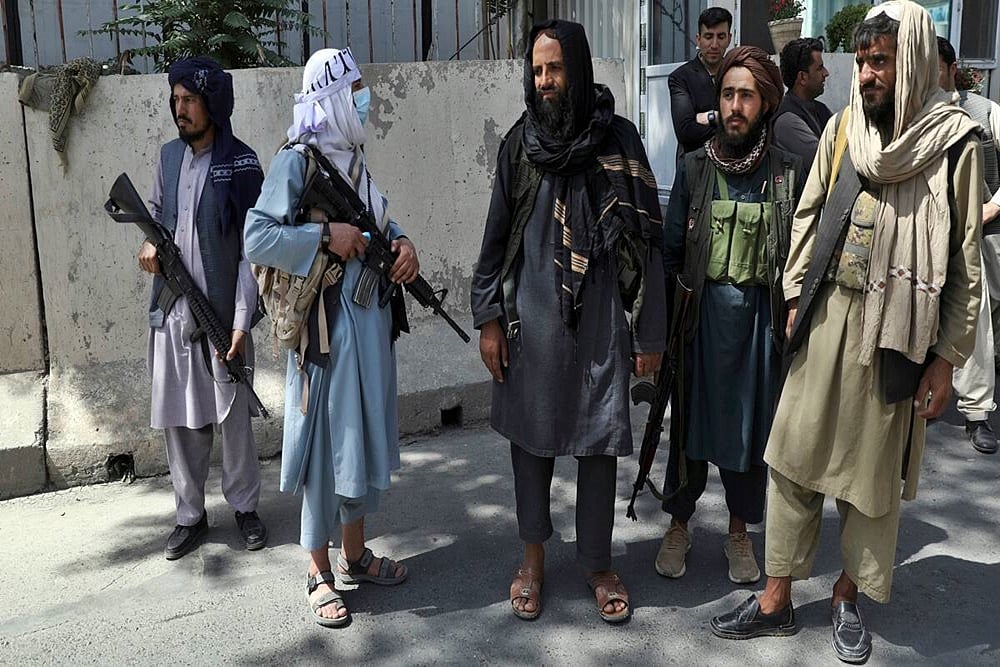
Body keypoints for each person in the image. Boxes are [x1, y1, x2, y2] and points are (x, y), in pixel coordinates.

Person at [711, 4, 982, 663]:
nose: (865, 75)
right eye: (861, 62)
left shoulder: (956, 144)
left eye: (879, 61)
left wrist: (947, 360)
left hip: (899, 335)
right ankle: (776, 598)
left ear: (911, 61)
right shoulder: (843, 128)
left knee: (871, 480)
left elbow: (964, 262)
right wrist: (794, 295)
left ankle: (845, 596)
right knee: (792, 459)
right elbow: (809, 214)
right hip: (827, 318)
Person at [471, 20, 666, 624]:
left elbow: (647, 243)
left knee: (598, 442)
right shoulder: (520, 146)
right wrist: (489, 319)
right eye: (537, 70)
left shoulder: (619, 141)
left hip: (601, 322)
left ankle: (598, 564)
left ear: (577, 69)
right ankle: (532, 560)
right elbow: (494, 240)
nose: (545, 81)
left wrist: (649, 331)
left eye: (554, 68)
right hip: (531, 324)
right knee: (530, 445)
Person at [244, 47, 416, 628]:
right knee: (325, 447)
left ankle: (355, 555)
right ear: (333, 97)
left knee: (357, 441)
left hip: (366, 330)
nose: (363, 98)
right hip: (324, 334)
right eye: (355, 89)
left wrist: (403, 245)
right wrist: (324, 239)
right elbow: (257, 237)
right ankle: (318, 569)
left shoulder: (352, 157)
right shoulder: (297, 161)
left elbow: (376, 221)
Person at [655, 46, 801, 586]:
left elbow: (800, 257)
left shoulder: (785, 173)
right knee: (688, 431)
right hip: (699, 328)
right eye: (727, 94)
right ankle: (679, 525)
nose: (735, 106)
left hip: (758, 332)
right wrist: (664, 333)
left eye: (747, 96)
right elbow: (671, 254)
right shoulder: (694, 168)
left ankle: (739, 532)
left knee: (748, 435)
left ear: (766, 104)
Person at [138, 56, 267, 561]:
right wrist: (149, 243)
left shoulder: (242, 163)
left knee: (233, 419)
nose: (180, 109)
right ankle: (189, 515)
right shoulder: (168, 158)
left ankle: (245, 508)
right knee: (182, 419)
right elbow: (154, 215)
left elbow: (253, 251)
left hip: (223, 317)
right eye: (175, 100)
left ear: (212, 103)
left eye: (189, 99)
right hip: (173, 310)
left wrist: (241, 322)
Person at [939, 35, 1000, 455]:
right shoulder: (913, 115)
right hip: (929, 233)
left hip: (977, 232)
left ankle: (977, 412)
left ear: (951, 68)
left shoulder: (984, 111)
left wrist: (992, 207)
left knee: (975, 315)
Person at [669, 7, 734, 155]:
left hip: (734, 162)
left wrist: (711, 117)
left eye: (721, 37)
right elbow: (685, 132)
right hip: (695, 162)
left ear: (729, 39)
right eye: (708, 37)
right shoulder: (680, 77)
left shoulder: (737, 73)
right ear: (698, 39)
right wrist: (730, 129)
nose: (714, 45)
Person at [774, 37, 832, 172]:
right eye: (819, 68)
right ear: (802, 77)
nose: (826, 73)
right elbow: (824, 163)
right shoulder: (786, 121)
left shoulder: (820, 109)